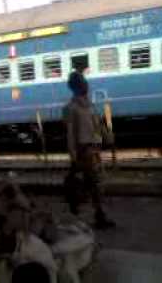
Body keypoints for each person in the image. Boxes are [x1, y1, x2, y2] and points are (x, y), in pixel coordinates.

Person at [63, 65, 115, 230]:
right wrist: (73, 156)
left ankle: (84, 215)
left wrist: (107, 136)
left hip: (94, 149)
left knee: (93, 185)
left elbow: (98, 124)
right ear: (75, 87)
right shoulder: (70, 108)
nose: (85, 85)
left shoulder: (89, 105)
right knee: (93, 185)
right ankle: (90, 216)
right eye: (81, 83)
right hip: (84, 152)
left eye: (84, 82)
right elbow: (70, 134)